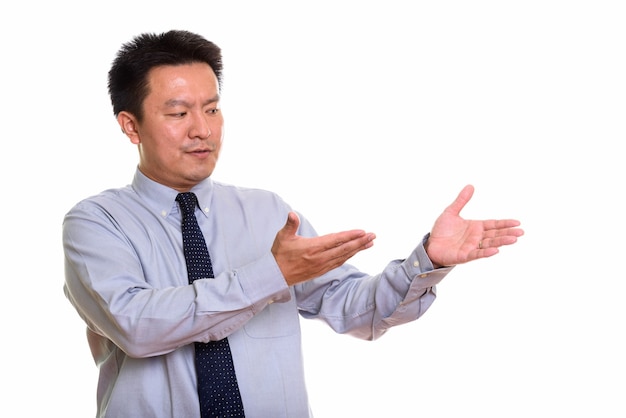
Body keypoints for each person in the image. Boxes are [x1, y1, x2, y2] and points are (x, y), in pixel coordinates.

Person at [63, 29, 524, 418]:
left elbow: (355, 309)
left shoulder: (267, 212)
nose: (202, 129)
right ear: (131, 125)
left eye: (212, 108)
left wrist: (427, 262)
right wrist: (271, 273)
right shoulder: (96, 223)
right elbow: (136, 326)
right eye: (179, 113)